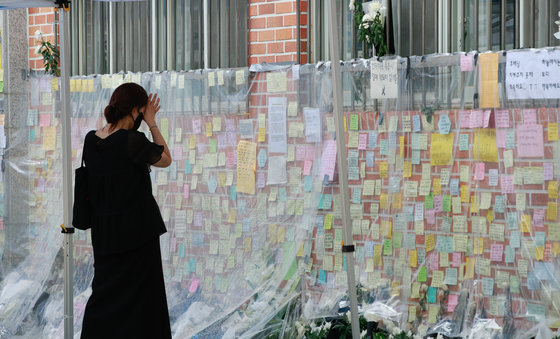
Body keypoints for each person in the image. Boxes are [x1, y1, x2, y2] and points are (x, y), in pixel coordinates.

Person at [79, 83, 172, 339]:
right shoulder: (132, 141)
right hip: (138, 234)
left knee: (105, 296)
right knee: (144, 300)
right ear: (134, 111)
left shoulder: (91, 140)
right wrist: (153, 123)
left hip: (105, 234)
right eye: (142, 112)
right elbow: (165, 158)